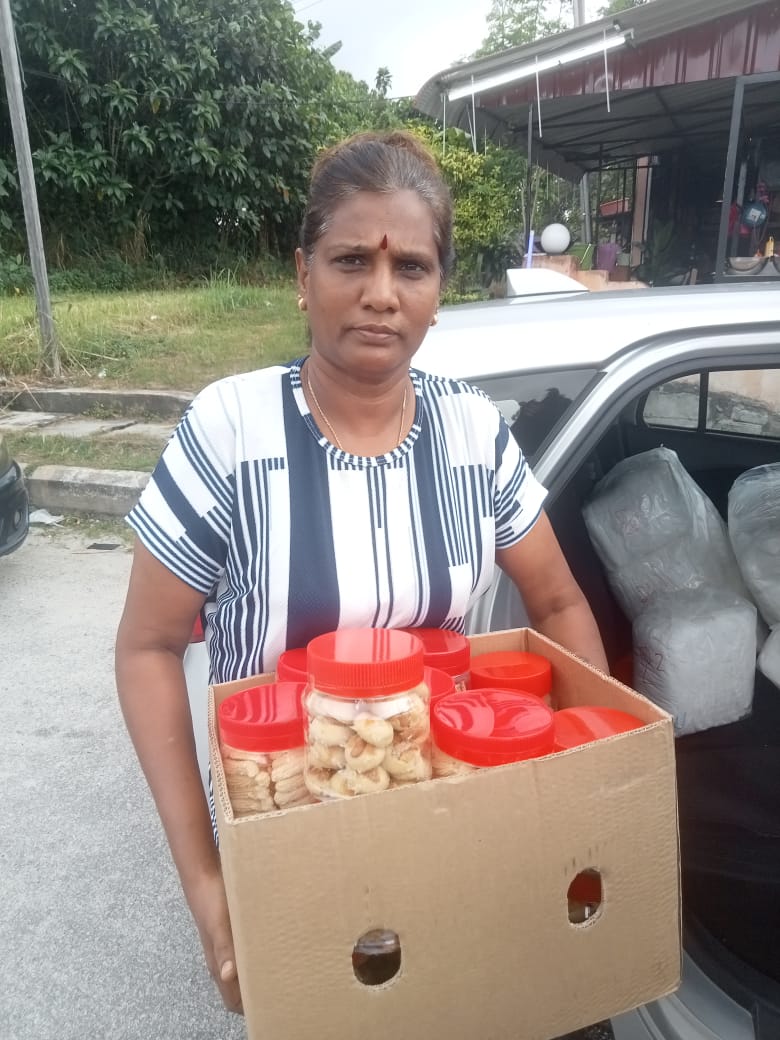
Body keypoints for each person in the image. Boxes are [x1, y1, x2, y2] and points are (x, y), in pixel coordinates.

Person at [115, 129, 608, 1015]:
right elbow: (148, 648)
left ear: (438, 291)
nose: (381, 293)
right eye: (351, 260)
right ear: (303, 275)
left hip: (447, 814)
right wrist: (206, 880)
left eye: (411, 267)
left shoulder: (472, 432)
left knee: (450, 1008)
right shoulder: (230, 431)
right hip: (288, 827)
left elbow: (560, 599)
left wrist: (585, 790)